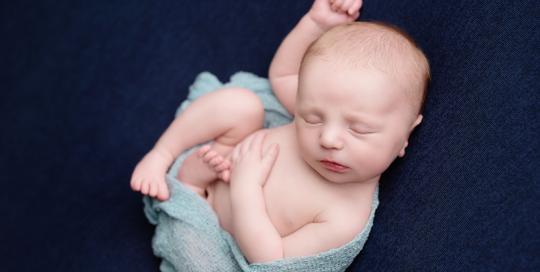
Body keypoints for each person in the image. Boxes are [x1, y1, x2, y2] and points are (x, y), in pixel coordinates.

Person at [131, 0, 430, 264]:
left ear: (406, 133)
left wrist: (247, 186)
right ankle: (162, 155)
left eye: (359, 129)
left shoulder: (346, 218)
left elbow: (271, 259)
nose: (327, 139)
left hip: (215, 231)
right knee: (241, 103)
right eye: (311, 119)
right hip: (225, 152)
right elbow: (284, 75)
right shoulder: (322, 108)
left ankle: (190, 189)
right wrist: (316, 24)